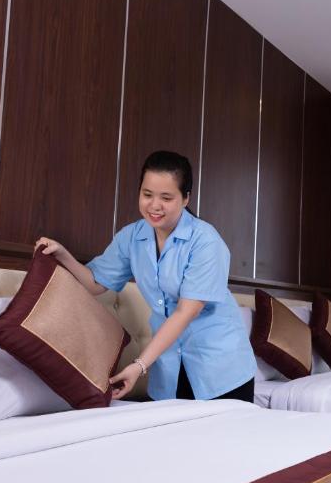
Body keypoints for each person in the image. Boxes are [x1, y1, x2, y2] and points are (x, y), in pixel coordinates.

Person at [35, 151, 255, 402]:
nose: (154, 205)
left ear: (185, 198)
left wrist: (139, 365)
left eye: (166, 198)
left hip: (220, 369)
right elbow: (96, 283)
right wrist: (63, 255)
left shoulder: (206, 241)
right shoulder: (132, 237)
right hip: (168, 370)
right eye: (147, 194)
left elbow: (186, 312)